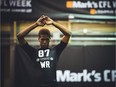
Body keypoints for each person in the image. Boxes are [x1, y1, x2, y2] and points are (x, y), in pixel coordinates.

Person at [17, 15, 71, 87]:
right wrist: (36, 24)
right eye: (42, 39)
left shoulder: (55, 51)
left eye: (47, 39)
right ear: (39, 39)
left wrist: (53, 23)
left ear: (49, 39)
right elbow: (19, 36)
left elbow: (68, 34)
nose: (44, 42)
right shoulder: (33, 52)